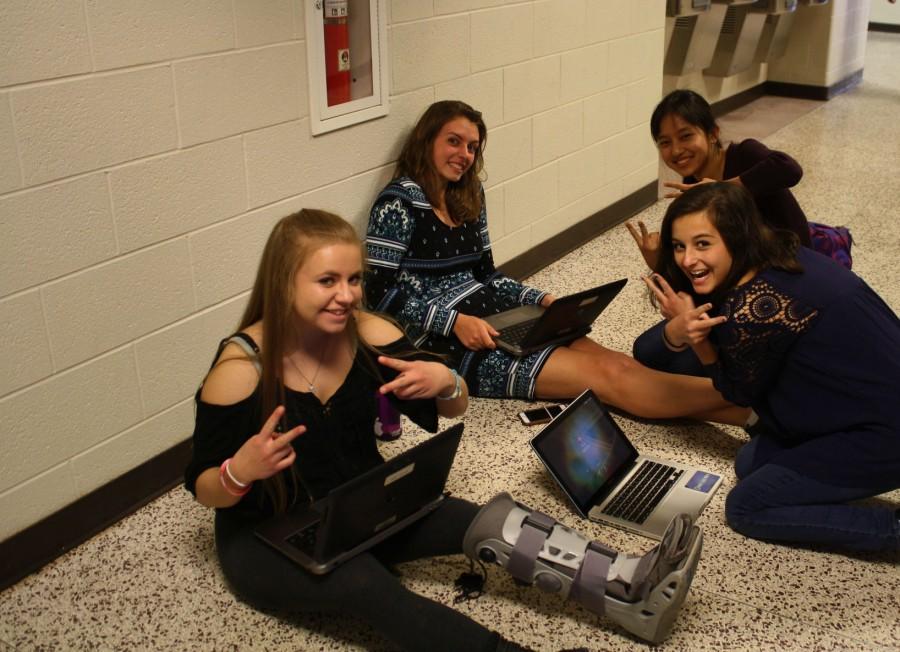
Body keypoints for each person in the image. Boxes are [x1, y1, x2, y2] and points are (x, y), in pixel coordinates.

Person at [184, 208, 703, 651]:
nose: (346, 296)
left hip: (360, 506)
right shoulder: (239, 372)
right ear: (284, 283)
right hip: (266, 536)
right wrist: (239, 470)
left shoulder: (369, 334)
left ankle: (628, 582)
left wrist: (448, 380)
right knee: (370, 587)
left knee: (491, 519)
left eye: (354, 279)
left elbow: (453, 407)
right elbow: (205, 489)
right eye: (327, 282)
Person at [365, 99, 744, 424]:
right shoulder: (399, 202)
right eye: (454, 141)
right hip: (449, 340)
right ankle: (755, 403)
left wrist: (539, 299)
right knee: (610, 378)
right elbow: (378, 295)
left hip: (498, 315)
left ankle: (757, 410)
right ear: (426, 139)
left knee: (623, 365)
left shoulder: (468, 194)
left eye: (472, 147)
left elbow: (486, 275)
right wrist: (456, 322)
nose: (464, 155)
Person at [642, 182, 900, 552]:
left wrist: (698, 341)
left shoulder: (755, 308)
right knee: (751, 461)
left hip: (885, 432)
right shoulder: (784, 253)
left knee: (746, 506)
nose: (686, 260)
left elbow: (736, 393)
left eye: (702, 244)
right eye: (679, 246)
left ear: (735, 236)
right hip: (867, 404)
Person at [627, 88, 811, 274]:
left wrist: (721, 188)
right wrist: (656, 260)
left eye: (685, 136)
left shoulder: (744, 155)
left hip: (789, 262)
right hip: (746, 264)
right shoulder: (690, 181)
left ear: (713, 134)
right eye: (665, 142)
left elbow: (790, 169)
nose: (676, 151)